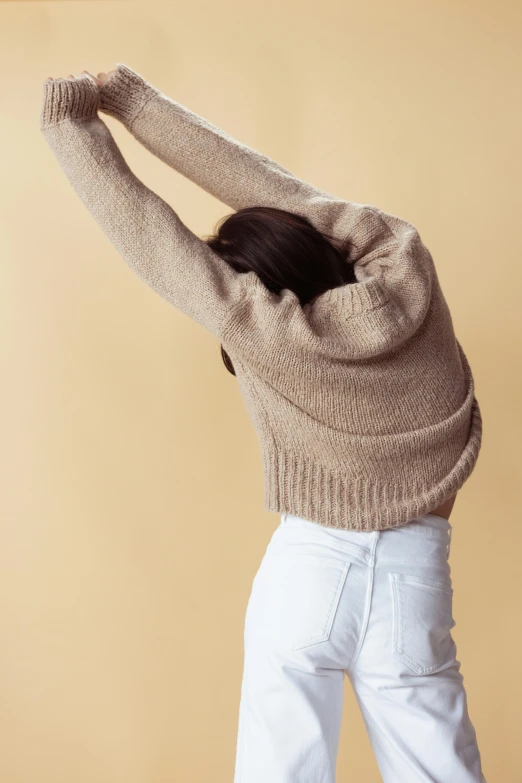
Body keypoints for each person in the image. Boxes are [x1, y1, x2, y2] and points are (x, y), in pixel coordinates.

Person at [40, 64, 486, 782]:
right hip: (416, 577)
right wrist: (137, 101)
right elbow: (277, 188)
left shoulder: (263, 330)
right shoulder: (404, 261)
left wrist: (72, 125)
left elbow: (156, 246)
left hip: (309, 571)